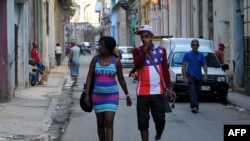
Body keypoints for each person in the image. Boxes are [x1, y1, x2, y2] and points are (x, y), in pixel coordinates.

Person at [132, 25, 176, 141]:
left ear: (151, 37)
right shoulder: (137, 51)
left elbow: (165, 71)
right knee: (143, 122)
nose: (143, 39)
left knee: (160, 120)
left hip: (158, 92)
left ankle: (158, 134)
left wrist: (169, 88)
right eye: (142, 37)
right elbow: (137, 65)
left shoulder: (161, 51)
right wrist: (144, 50)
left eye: (146, 36)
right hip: (142, 92)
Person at [84, 36, 132, 141]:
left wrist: (127, 95)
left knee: (109, 123)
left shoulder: (116, 61)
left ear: (109, 47)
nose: (99, 47)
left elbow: (121, 79)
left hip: (111, 96)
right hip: (97, 96)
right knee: (100, 124)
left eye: (102, 45)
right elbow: (89, 76)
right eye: (99, 44)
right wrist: (87, 94)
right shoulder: (95, 59)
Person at [181, 39, 208, 113]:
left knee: (197, 92)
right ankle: (195, 107)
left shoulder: (201, 55)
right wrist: (184, 76)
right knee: (192, 91)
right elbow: (184, 65)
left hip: (199, 76)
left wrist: (205, 74)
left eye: (196, 45)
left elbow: (204, 65)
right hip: (190, 75)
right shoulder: (187, 54)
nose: (195, 46)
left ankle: (192, 105)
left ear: (198, 46)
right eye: (193, 45)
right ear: (191, 46)